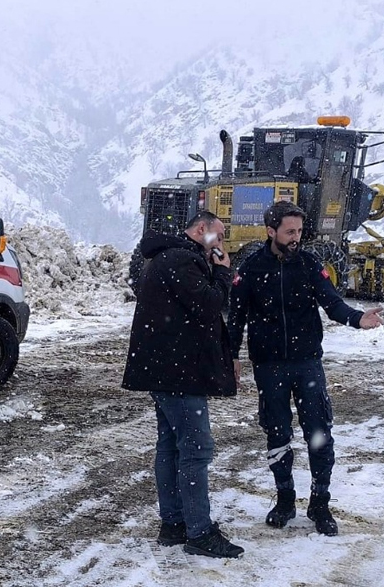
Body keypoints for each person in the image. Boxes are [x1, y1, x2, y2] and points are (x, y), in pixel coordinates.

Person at [228, 201, 383, 536]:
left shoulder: (311, 264)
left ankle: (320, 502)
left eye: (299, 231)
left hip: (307, 364)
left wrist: (358, 318)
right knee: (278, 434)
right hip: (269, 366)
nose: (296, 237)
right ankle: (285, 499)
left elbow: (332, 302)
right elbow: (236, 317)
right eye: (289, 231)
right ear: (272, 231)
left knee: (319, 434)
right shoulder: (252, 268)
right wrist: (232, 356)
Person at [121, 211, 245, 559]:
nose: (221, 244)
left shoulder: (170, 257)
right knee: (196, 449)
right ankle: (199, 532)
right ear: (201, 230)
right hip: (179, 374)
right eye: (218, 237)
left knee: (171, 446)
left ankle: (174, 523)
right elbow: (211, 304)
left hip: (169, 371)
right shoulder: (181, 260)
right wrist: (223, 271)